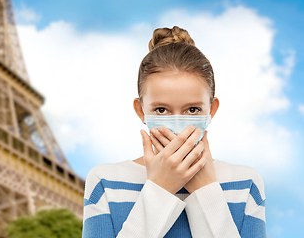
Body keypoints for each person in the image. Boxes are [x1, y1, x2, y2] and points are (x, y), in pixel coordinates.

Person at [81, 26, 266, 238]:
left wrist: (205, 191)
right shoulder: (105, 181)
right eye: (161, 110)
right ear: (141, 110)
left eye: (192, 109)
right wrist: (160, 189)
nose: (177, 124)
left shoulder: (246, 183)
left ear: (211, 110)